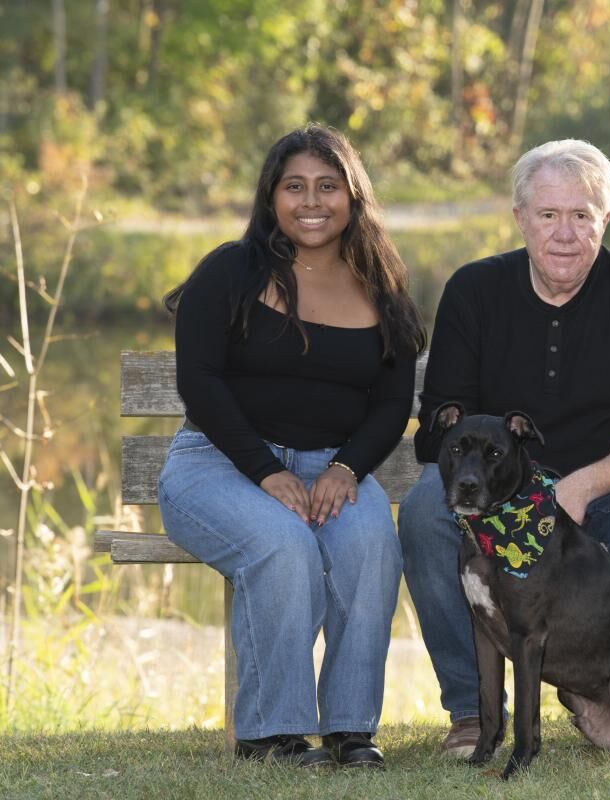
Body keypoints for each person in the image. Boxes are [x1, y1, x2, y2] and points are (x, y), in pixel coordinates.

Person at [398, 139, 610, 757]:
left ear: (605, 219)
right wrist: (515, 489)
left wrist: (581, 488)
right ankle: (472, 713)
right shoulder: (475, 291)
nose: (565, 233)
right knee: (428, 509)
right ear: (520, 218)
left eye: (582, 215)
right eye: (549, 215)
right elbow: (436, 434)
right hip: (506, 488)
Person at [157, 124, 425, 769]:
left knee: (370, 546)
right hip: (218, 466)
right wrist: (263, 469)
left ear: (353, 197)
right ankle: (272, 734)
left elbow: (392, 403)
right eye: (295, 186)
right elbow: (199, 381)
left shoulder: (380, 283)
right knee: (282, 546)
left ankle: (350, 730)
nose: (312, 202)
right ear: (271, 196)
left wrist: (346, 466)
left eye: (328, 187)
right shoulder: (232, 269)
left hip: (331, 469)